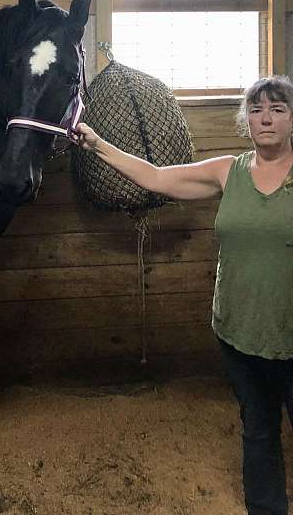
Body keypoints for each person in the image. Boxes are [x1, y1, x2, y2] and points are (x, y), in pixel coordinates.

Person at [75, 75, 293, 515]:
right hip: (240, 332)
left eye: (278, 108)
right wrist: (97, 143)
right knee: (258, 428)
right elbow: (155, 177)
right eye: (256, 109)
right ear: (246, 120)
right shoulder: (228, 171)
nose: (265, 118)